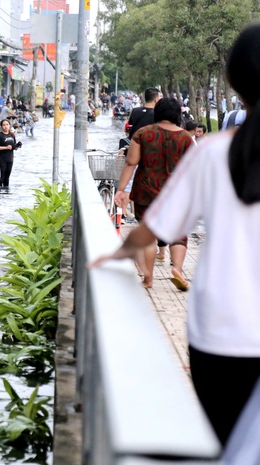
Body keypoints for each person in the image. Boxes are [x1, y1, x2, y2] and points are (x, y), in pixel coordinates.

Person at [93, 23, 260, 447]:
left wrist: (112, 254)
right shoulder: (194, 143)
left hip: (220, 333)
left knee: (223, 442)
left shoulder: (214, 153)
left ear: (235, 85)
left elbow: (153, 230)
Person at [114, 97, 194, 289]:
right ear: (178, 115)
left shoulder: (143, 134)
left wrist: (121, 189)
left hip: (146, 190)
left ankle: (148, 278)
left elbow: (131, 162)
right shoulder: (185, 138)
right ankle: (178, 270)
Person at [0, 119, 21, 189]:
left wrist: (17, 146)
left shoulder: (12, 135)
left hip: (10, 158)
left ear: (9, 125)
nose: (5, 126)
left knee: (7, 176)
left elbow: (13, 147)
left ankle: (6, 191)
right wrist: (5, 147)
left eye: (7, 125)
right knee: (1, 176)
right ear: (1, 126)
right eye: (4, 125)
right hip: (1, 159)